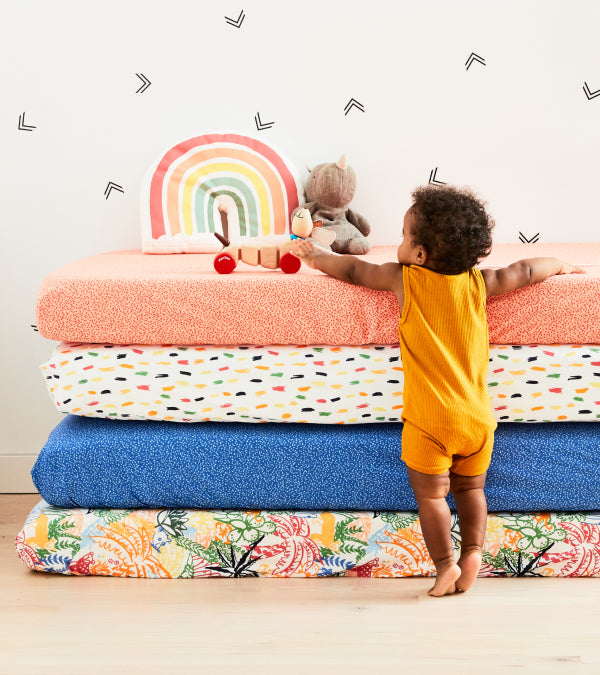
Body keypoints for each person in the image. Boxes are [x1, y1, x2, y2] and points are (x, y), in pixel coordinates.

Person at [290, 185, 586, 597]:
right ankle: (473, 552)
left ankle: (445, 565)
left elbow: (355, 271)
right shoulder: (479, 283)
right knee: (471, 489)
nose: (400, 243)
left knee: (432, 497)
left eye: (405, 236)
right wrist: (559, 264)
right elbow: (523, 270)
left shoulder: (404, 279)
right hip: (478, 420)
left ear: (420, 255)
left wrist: (317, 256)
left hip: (430, 421)